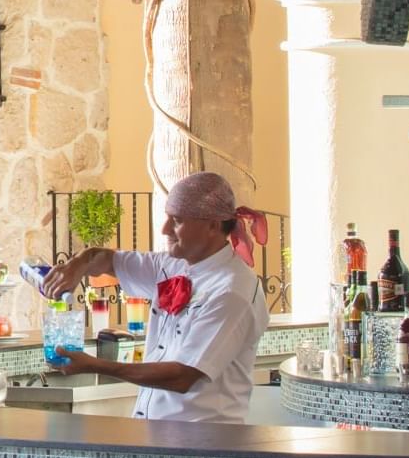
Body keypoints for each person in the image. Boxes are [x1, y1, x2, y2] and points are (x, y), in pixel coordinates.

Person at [39, 171, 270, 425]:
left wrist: (96, 365)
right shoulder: (171, 265)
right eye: (167, 218)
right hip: (156, 434)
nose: (165, 229)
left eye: (177, 220)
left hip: (203, 443)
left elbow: (182, 376)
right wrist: (78, 264)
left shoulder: (231, 291)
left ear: (213, 225)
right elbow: (105, 259)